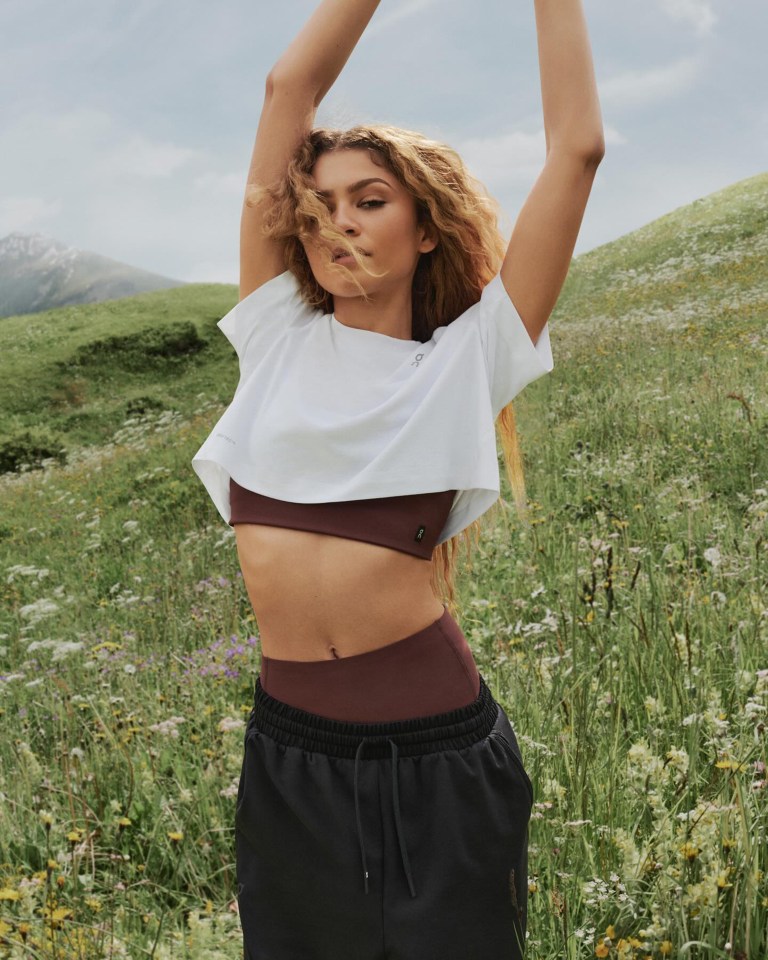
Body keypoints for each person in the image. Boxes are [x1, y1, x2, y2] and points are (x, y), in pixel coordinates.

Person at [191, 1, 604, 957]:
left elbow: (577, 149)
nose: (340, 222)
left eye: (370, 200)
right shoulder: (274, 335)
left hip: (439, 762)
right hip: (289, 759)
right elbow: (288, 88)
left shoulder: (469, 358)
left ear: (425, 230)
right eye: (323, 203)